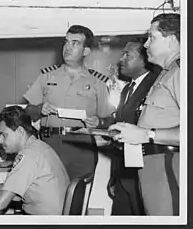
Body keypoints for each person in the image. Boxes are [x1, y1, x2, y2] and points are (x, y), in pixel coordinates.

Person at [108, 13, 181, 216]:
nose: (147, 44)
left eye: (152, 37)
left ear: (172, 39)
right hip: (152, 166)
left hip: (168, 165)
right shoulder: (166, 73)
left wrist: (147, 134)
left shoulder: (181, 72)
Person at [23, 25, 115, 180]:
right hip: (50, 143)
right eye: (66, 42)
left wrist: (99, 122)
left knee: (77, 195)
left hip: (82, 145)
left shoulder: (98, 82)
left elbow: (110, 120)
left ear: (86, 51)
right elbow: (27, 113)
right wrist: (39, 109)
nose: (67, 47)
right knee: (49, 194)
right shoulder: (46, 76)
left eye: (75, 43)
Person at [0, 105, 70, 215]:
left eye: (4, 135)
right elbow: (17, 192)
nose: (0, 140)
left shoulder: (28, 155)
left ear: (20, 132)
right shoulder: (39, 147)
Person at [93, 41, 162, 215]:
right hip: (124, 172)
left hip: (145, 172)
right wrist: (115, 176)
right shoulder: (127, 90)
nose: (121, 59)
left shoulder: (156, 87)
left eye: (128, 55)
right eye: (122, 54)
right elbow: (120, 132)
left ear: (145, 59)